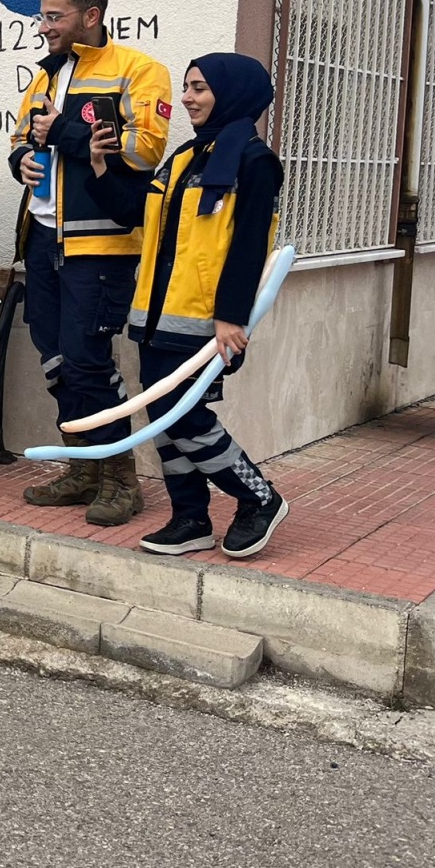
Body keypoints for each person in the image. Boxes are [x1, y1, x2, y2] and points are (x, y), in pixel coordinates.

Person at [86, 53, 289, 558]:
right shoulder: (183, 158)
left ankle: (258, 497)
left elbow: (249, 246)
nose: (187, 98)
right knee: (164, 420)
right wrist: (100, 167)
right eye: (187, 87)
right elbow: (134, 212)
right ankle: (190, 518)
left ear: (233, 92)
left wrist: (231, 318)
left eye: (198, 88)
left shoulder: (254, 162)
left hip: (204, 322)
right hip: (154, 318)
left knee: (187, 420)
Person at [8, 0, 171, 527]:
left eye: (54, 17)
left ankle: (121, 480)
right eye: (43, 17)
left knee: (88, 362)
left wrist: (60, 136)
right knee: (57, 362)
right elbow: (19, 139)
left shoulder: (138, 71)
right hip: (43, 241)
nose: (44, 27)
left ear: (90, 15)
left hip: (101, 247)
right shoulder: (46, 76)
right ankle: (81, 467)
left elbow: (145, 150)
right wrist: (21, 161)